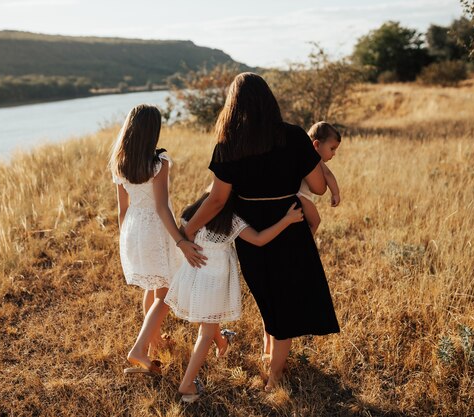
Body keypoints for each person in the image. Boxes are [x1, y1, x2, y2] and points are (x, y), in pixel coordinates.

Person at [181, 73, 340, 392]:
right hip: (290, 223)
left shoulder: (229, 144)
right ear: (269, 100)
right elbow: (320, 188)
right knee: (285, 301)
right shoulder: (294, 136)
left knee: (268, 297)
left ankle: (275, 375)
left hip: (252, 229)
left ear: (233, 105)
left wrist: (188, 230)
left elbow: (217, 200)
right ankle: (275, 369)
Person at [165, 192, 304, 402]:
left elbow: (184, 233)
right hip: (213, 281)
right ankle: (187, 384)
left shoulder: (192, 212)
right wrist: (287, 220)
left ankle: (222, 343)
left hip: (193, 278)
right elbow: (258, 239)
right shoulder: (232, 221)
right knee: (205, 333)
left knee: (208, 323)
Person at [110, 104, 204, 374]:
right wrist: (180, 241)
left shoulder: (120, 163)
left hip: (133, 230)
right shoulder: (158, 162)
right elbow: (162, 207)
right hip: (155, 230)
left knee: (152, 289)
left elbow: (122, 210)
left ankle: (154, 344)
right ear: (153, 131)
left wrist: (125, 239)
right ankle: (139, 349)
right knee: (165, 293)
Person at [298, 121, 342, 234]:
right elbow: (328, 175)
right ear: (316, 145)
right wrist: (335, 193)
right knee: (315, 221)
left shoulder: (300, 153)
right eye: (332, 149)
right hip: (301, 196)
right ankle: (305, 243)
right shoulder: (314, 158)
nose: (334, 153)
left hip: (298, 195)